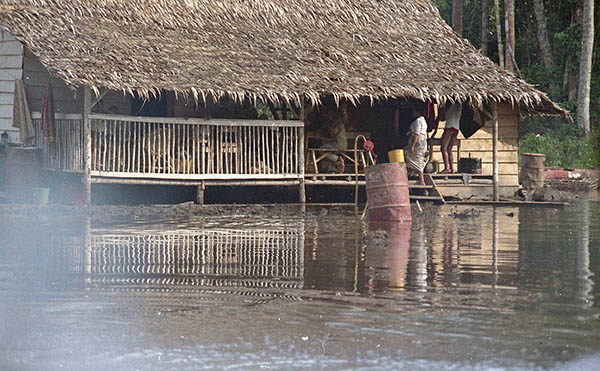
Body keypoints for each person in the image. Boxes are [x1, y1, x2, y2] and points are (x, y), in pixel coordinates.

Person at [404, 105, 428, 186]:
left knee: (415, 159)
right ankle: (405, 178)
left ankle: (421, 180)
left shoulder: (418, 121)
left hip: (418, 142)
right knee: (414, 160)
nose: (413, 113)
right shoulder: (423, 121)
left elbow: (416, 134)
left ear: (418, 112)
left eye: (414, 111)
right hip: (423, 142)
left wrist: (412, 146)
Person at [439, 103, 462, 174]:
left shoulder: (449, 104)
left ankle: (447, 168)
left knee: (443, 148)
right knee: (449, 149)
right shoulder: (459, 105)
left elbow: (442, 117)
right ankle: (452, 169)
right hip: (456, 127)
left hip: (450, 126)